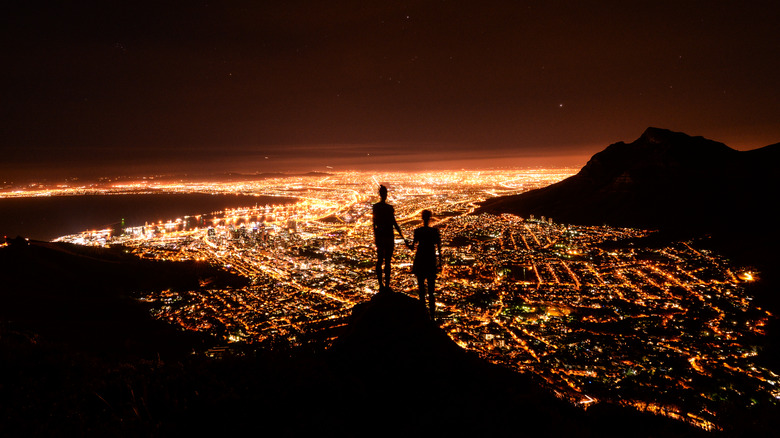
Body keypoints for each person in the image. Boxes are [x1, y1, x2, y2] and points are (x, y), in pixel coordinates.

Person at [408, 209, 442, 319]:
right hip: (431, 260)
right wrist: (440, 263)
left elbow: (413, 247)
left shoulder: (418, 231)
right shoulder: (434, 231)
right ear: (430, 217)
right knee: (431, 292)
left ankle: (423, 316)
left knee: (421, 290)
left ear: (422, 217)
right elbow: (439, 249)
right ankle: (432, 316)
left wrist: (408, 245)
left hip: (420, 260)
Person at [372, 185, 406, 290]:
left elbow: (374, 223)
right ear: (386, 195)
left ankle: (381, 285)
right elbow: (394, 223)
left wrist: (376, 236)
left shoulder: (376, 207)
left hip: (380, 236)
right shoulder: (389, 208)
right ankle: (386, 285)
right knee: (387, 262)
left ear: (379, 194)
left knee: (379, 260)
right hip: (389, 236)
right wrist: (401, 235)